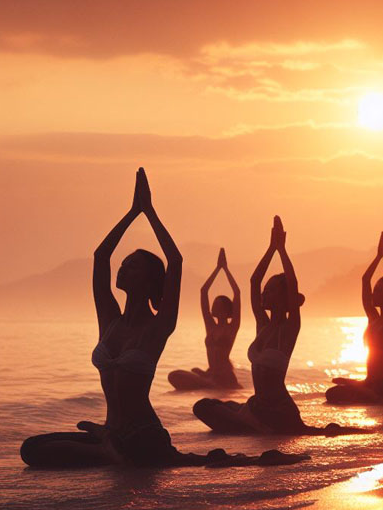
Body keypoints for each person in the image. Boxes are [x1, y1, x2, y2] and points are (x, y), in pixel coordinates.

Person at [20, 170, 305, 468]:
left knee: (45, 453)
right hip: (114, 429)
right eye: (124, 265)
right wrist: (133, 212)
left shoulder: (159, 325)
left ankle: (114, 452)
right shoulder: (110, 321)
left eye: (132, 267)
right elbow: (101, 257)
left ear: (149, 281)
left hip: (142, 434)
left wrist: (151, 213)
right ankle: (109, 448)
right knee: (31, 448)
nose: (122, 269)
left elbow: (176, 262)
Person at [194, 217, 369, 435]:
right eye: (265, 291)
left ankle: (253, 423)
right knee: (204, 406)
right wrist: (271, 248)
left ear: (284, 297)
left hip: (277, 410)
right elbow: (253, 282)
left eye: (271, 291)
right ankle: (248, 420)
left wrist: (283, 251)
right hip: (257, 405)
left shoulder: (289, 328)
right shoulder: (262, 325)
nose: (264, 294)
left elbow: (292, 282)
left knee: (218, 413)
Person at [326, 232, 383, 404]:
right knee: (332, 393)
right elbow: (365, 280)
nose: (374, 293)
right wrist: (378, 257)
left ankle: (373, 395)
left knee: (345, 393)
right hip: (372, 382)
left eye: (379, 290)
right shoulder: (373, 318)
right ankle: (366, 390)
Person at [168, 248, 242, 390]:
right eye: (214, 304)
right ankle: (207, 383)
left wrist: (225, 269)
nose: (213, 307)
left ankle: (209, 384)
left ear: (226, 311)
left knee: (186, 378)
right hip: (211, 374)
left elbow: (237, 293)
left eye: (217, 305)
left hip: (224, 376)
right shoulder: (211, 326)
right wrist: (217, 268)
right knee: (181, 373)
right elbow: (203, 291)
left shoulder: (232, 328)